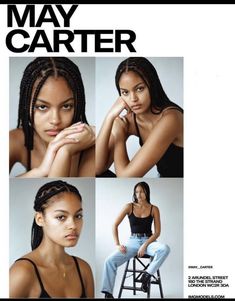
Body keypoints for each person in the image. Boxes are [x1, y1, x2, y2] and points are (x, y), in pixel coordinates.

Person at [96, 57, 183, 178]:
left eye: (139, 89)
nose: (133, 99)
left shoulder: (171, 118)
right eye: (125, 92)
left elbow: (125, 177)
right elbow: (97, 168)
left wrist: (119, 137)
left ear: (152, 85)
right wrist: (109, 118)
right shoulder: (132, 120)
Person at [10, 57, 95, 177]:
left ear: (78, 105)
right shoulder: (15, 141)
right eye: (42, 107)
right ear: (26, 105)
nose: (55, 120)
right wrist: (41, 170)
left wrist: (65, 151)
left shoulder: (90, 143)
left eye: (66, 106)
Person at [9, 180, 94, 298]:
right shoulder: (21, 273)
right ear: (40, 219)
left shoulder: (84, 270)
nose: (73, 225)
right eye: (61, 217)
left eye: (78, 216)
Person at [101, 181, 170, 298]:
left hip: (149, 241)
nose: (139, 194)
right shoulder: (129, 206)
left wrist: (145, 245)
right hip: (132, 242)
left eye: (142, 191)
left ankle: (146, 276)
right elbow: (114, 225)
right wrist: (117, 244)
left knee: (165, 248)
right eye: (137, 192)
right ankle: (108, 294)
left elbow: (157, 232)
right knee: (109, 261)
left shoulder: (154, 209)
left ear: (147, 192)